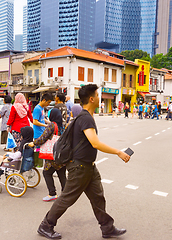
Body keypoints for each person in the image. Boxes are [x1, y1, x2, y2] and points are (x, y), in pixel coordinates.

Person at [37, 84, 130, 240]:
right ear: (92, 99)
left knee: (98, 197)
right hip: (80, 167)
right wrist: (118, 152)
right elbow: (95, 143)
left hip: (88, 166)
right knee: (67, 198)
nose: (100, 98)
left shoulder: (85, 116)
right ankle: (46, 225)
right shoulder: (85, 117)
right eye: (98, 95)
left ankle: (107, 228)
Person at [29, 108, 66, 202]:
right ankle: (66, 193)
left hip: (52, 154)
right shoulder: (62, 125)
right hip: (61, 154)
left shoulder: (51, 125)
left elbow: (43, 138)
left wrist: (34, 143)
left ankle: (52, 193)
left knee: (47, 172)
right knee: (61, 173)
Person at [33, 92, 53, 168]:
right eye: (48, 102)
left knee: (43, 150)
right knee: (38, 150)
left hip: (42, 131)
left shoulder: (41, 108)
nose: (48, 104)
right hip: (38, 133)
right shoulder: (37, 109)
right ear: (44, 100)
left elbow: (42, 118)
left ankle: (41, 165)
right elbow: (35, 121)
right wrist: (45, 125)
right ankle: (38, 165)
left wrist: (49, 122)